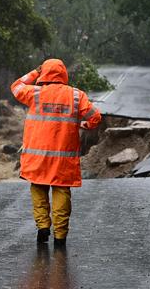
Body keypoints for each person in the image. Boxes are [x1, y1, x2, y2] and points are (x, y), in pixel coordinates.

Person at [10, 58, 102, 247]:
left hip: (38, 157)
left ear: (45, 74)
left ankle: (43, 225)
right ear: (63, 74)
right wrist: (85, 124)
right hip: (63, 159)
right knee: (61, 191)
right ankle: (60, 235)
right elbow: (95, 117)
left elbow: (16, 86)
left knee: (38, 187)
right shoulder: (76, 96)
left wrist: (34, 72)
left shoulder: (35, 93)